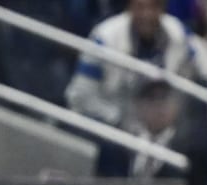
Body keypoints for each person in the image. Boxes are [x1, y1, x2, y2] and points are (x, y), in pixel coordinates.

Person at [67, 0, 200, 132]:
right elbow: (80, 96)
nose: (147, 15)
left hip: (168, 127)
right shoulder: (104, 37)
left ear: (163, 8)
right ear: (129, 7)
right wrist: (118, 119)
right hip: (114, 127)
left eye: (153, 7)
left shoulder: (178, 32)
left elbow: (202, 72)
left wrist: (175, 112)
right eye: (140, 7)